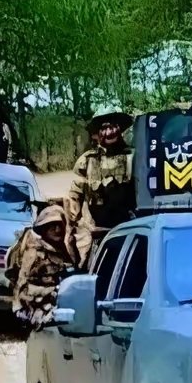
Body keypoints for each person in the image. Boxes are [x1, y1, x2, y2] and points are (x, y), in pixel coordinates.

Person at [64, 111, 135, 268]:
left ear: (120, 129)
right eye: (104, 128)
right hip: (95, 233)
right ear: (97, 132)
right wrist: (72, 224)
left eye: (113, 126)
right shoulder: (87, 160)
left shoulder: (133, 157)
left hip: (128, 230)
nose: (109, 132)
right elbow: (74, 195)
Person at [7, 204, 73, 329]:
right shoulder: (33, 252)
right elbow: (23, 282)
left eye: (60, 225)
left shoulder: (65, 249)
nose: (57, 230)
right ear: (43, 228)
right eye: (52, 226)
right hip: (36, 305)